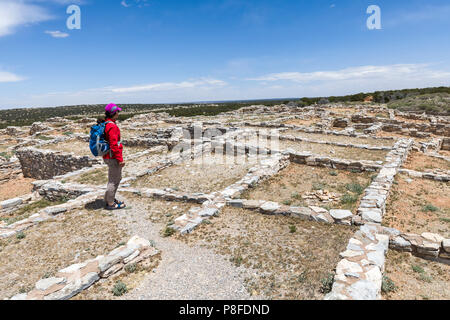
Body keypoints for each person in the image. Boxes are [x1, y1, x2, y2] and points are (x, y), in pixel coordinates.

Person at [103, 103, 126, 210]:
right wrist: (120, 159)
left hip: (108, 155)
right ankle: (111, 203)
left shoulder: (106, 123)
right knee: (114, 180)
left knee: (114, 178)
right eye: (117, 111)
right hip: (112, 157)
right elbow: (114, 144)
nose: (118, 113)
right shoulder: (112, 126)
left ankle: (109, 198)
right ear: (114, 113)